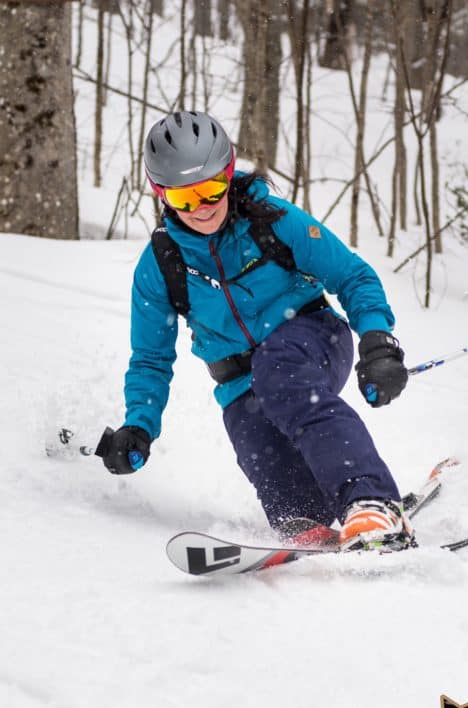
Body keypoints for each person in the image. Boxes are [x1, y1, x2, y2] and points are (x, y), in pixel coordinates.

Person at [100, 110, 411, 551]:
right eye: (184, 199)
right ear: (161, 195)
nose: (202, 207)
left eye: (210, 189)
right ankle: (317, 523)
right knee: (260, 451)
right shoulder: (161, 266)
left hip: (313, 337)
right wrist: (139, 425)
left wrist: (378, 342)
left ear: (228, 175)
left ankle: (371, 500)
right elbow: (151, 358)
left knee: (278, 370)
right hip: (240, 384)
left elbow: (353, 276)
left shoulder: (273, 221)